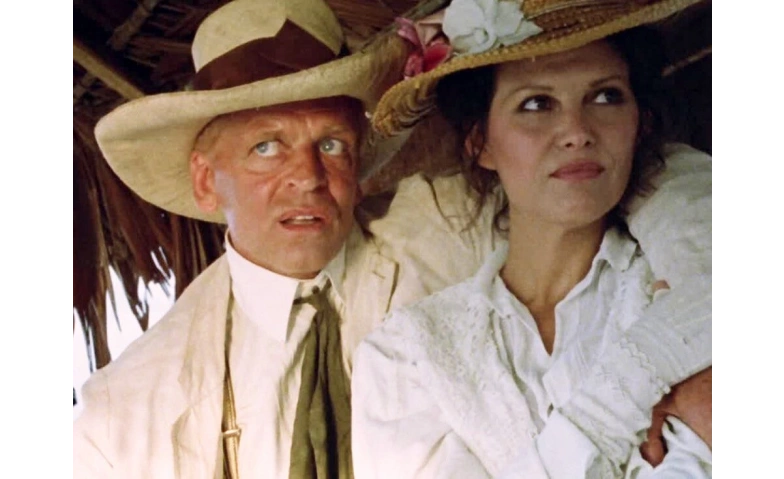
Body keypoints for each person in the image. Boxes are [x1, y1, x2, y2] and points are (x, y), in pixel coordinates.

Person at [72, 0, 712, 477]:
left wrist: (704, 319)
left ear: (361, 160)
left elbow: (647, 175)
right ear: (206, 182)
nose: (307, 177)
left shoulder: (444, 221)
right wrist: (646, 367)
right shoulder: (121, 411)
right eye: (266, 147)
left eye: (331, 144)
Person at [352, 0, 711, 478]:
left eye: (606, 97)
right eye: (537, 104)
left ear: (639, 123)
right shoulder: (407, 355)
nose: (577, 132)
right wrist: (639, 372)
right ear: (480, 141)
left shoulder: (692, 289)